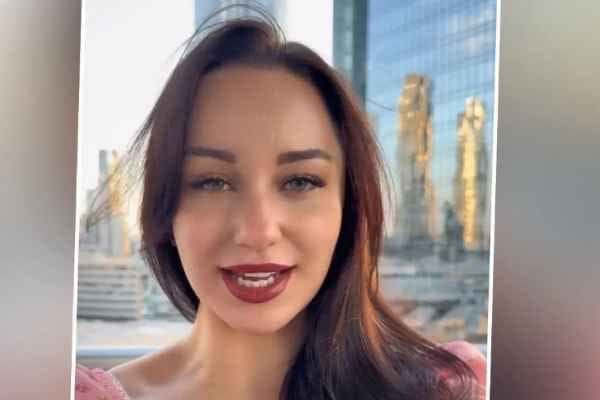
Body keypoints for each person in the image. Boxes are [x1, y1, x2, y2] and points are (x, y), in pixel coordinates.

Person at [76, 8, 486, 400]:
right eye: (213, 182)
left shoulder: (442, 392)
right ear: (165, 208)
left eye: (300, 181)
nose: (259, 232)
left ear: (348, 207)